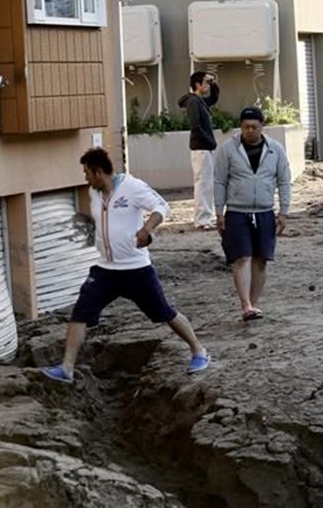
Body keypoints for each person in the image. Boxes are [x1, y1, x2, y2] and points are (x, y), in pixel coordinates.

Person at [41, 149, 210, 384]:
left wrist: (146, 229)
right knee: (80, 313)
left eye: (86, 172)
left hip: (136, 269)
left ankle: (199, 351)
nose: (85, 178)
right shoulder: (95, 193)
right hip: (104, 270)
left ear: (98, 171)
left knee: (164, 312)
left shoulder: (132, 186)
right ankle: (66, 368)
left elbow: (162, 207)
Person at [214, 106, 291, 322]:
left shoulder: (275, 149)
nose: (249, 131)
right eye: (245, 126)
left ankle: (253, 304)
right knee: (242, 258)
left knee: (261, 259)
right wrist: (219, 211)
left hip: (265, 211)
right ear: (240, 127)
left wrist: (284, 211)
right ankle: (246, 305)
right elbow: (219, 180)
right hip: (237, 211)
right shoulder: (228, 149)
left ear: (262, 126)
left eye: (254, 127)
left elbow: (284, 181)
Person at [178, 71, 220, 230]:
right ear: (197, 85)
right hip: (201, 147)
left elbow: (214, 98)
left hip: (204, 147)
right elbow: (195, 126)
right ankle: (202, 220)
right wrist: (210, 141)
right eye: (206, 83)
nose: (208, 86)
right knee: (203, 183)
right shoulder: (194, 102)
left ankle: (205, 217)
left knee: (206, 183)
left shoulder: (199, 101)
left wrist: (214, 82)